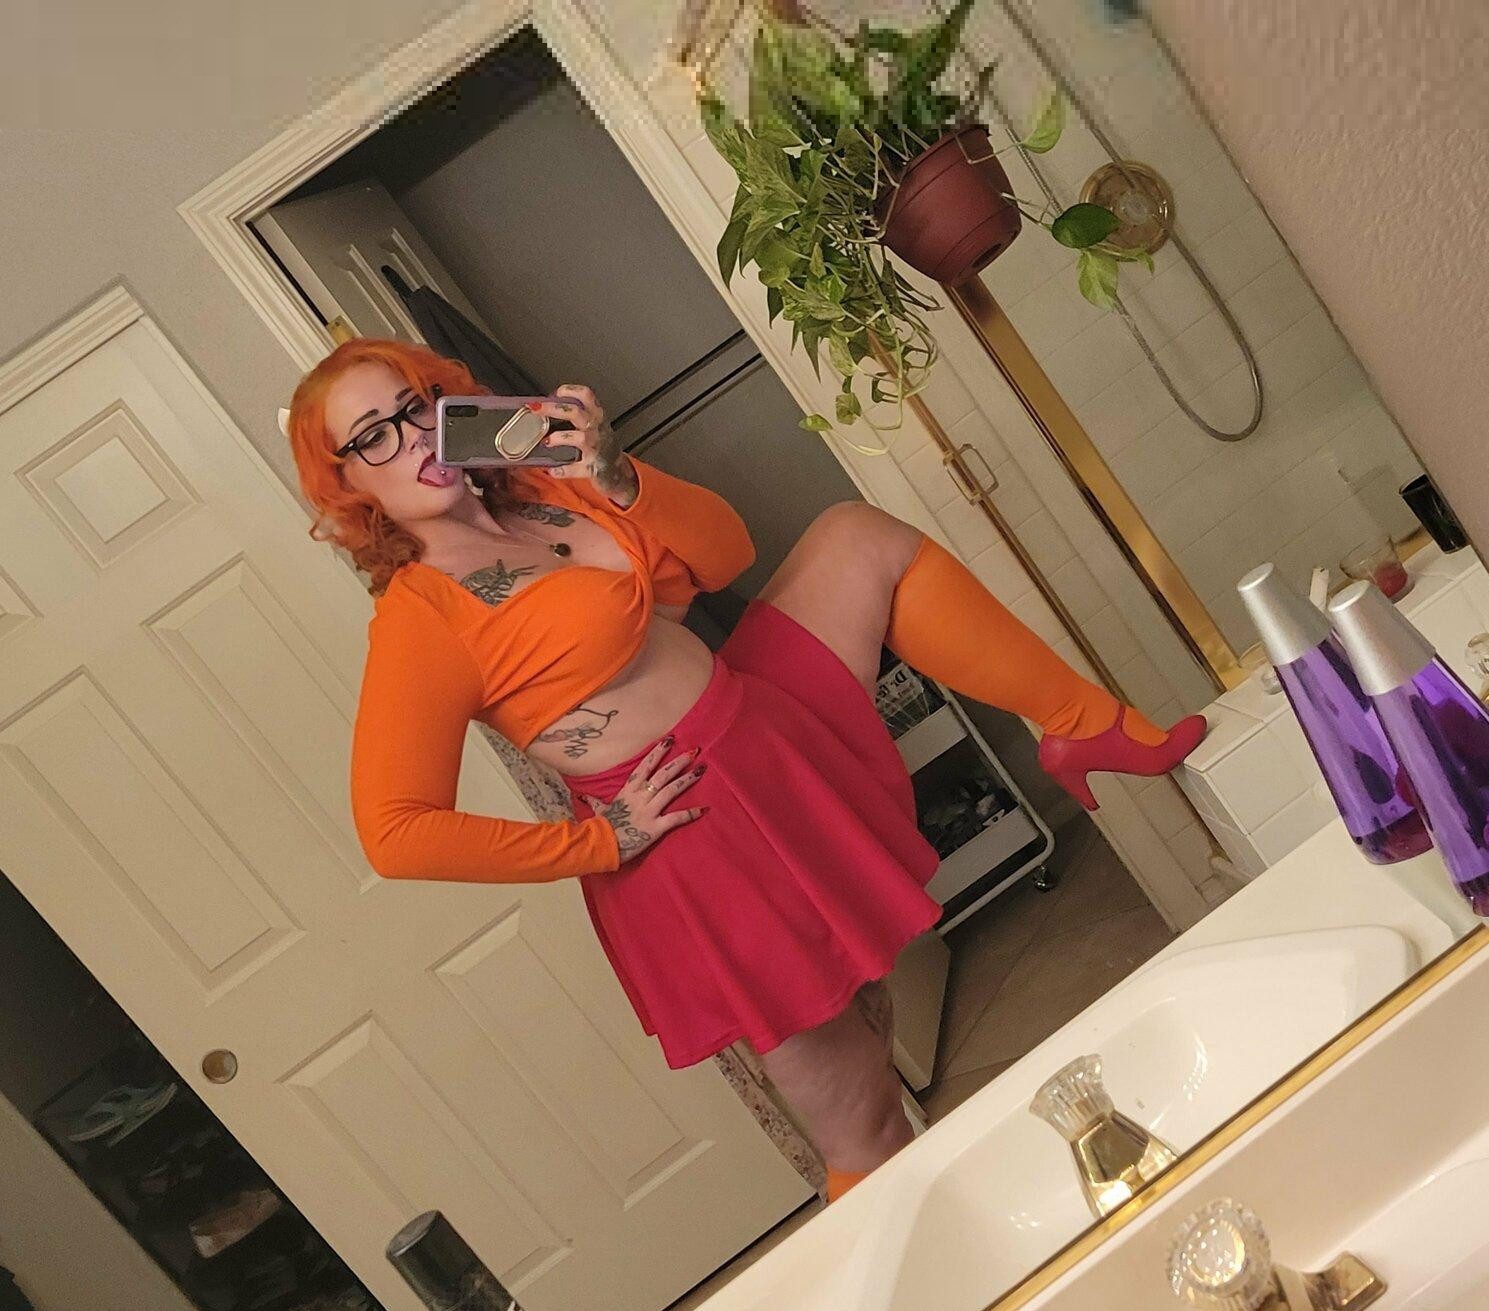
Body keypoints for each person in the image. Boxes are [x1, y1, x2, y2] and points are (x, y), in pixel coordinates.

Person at [289, 338, 1205, 1201]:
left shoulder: (547, 491)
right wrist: (599, 843)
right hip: (696, 840)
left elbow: (725, 556)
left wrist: (618, 475)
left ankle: (1081, 728)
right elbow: (396, 833)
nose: (413, 437)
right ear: (349, 485)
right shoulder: (420, 617)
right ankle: (934, 1293)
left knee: (855, 537)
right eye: (374, 436)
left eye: (417, 406)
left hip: (757, 731)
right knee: (865, 1125)